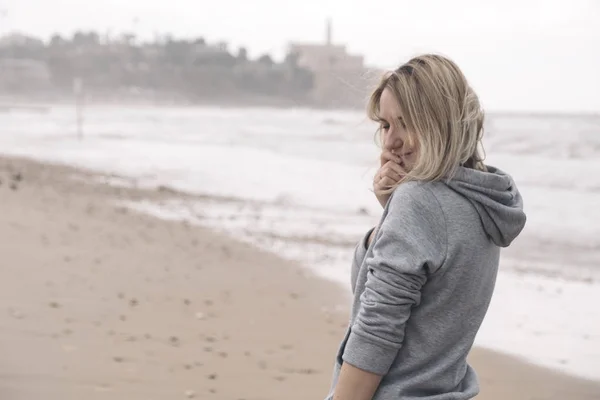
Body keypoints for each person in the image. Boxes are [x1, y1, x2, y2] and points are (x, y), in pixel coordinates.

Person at [325, 54, 527, 400]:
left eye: (407, 123)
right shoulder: (483, 200)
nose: (391, 142)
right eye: (386, 125)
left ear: (441, 123)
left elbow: (376, 328)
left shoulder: (420, 202)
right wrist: (390, 214)